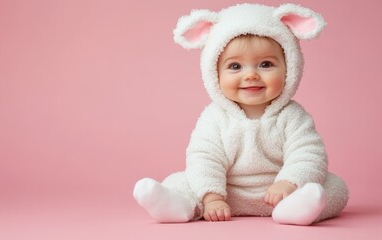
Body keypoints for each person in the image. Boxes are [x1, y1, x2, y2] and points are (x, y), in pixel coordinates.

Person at [133, 3, 349, 225]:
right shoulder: (213, 117)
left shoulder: (293, 115)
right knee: (178, 180)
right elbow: (204, 157)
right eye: (235, 66)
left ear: (290, 67)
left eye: (266, 64)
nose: (251, 75)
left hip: (279, 194)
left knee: (334, 187)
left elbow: (308, 154)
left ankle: (294, 210)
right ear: (214, 73)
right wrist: (213, 198)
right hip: (227, 196)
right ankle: (180, 207)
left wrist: (289, 183)